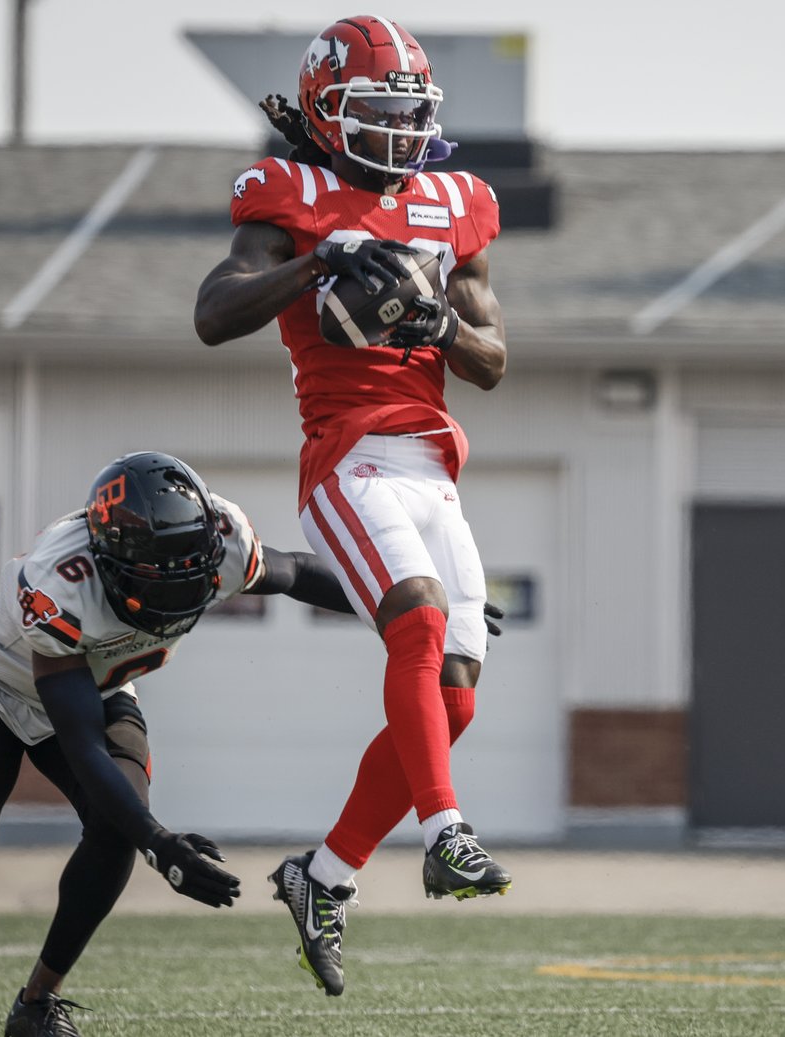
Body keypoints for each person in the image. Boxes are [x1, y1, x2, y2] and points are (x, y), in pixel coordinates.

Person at [193, 15, 510, 997]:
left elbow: (493, 360)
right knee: (414, 623)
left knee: (453, 691)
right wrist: (320, 260)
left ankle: (322, 873)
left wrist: (436, 318)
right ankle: (446, 831)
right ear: (330, 114)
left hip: (432, 465)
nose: (403, 131)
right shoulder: (290, 195)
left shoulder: (458, 200)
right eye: (378, 112)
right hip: (346, 453)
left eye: (411, 113)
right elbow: (213, 313)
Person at [0, 452, 362, 1037]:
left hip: (102, 679)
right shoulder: (61, 581)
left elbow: (297, 572)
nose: (182, 582)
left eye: (192, 565)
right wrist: (159, 842)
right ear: (111, 559)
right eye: (161, 570)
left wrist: (399, 610)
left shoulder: (223, 539)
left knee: (115, 835)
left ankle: (36, 1006)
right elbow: (83, 746)